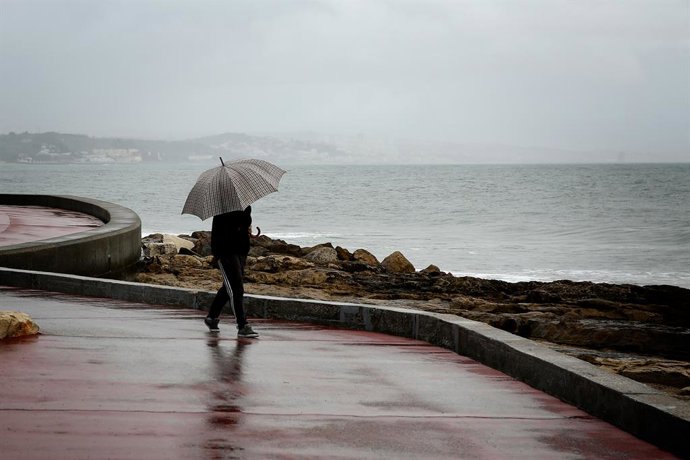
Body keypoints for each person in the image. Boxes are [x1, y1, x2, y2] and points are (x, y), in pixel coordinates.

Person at [204, 205, 259, 338]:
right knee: (236, 288)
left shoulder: (244, 205)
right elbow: (226, 229)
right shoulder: (221, 208)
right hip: (225, 251)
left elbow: (244, 222)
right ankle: (242, 325)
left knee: (228, 287)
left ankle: (211, 317)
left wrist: (248, 229)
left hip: (241, 250)